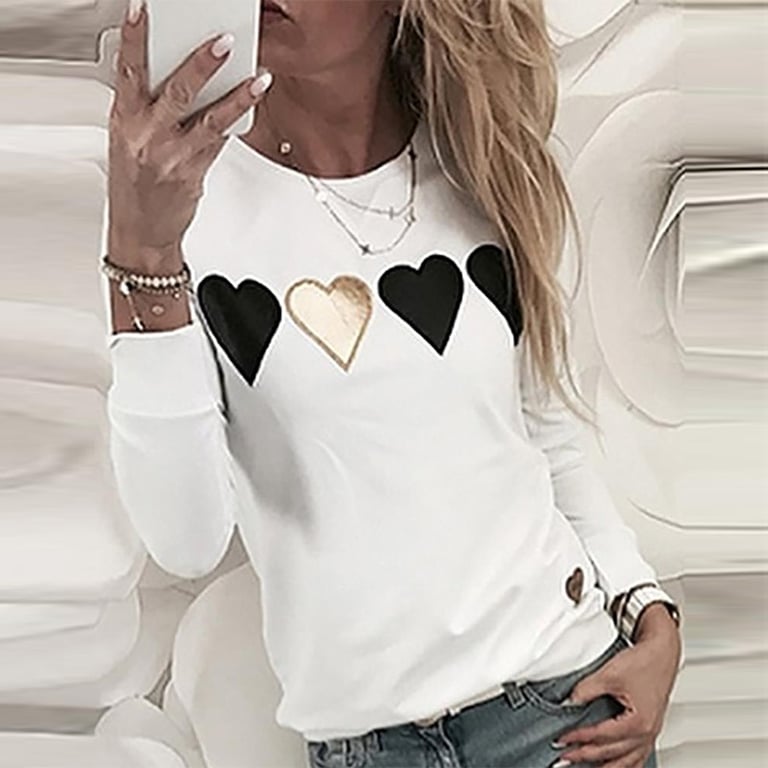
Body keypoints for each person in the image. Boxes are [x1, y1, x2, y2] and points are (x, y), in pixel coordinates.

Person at [102, 0, 683, 766]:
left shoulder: (485, 165)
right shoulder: (174, 200)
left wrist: (647, 610)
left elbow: (544, 438)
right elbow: (185, 541)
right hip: (370, 749)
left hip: (566, 714)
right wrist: (143, 252)